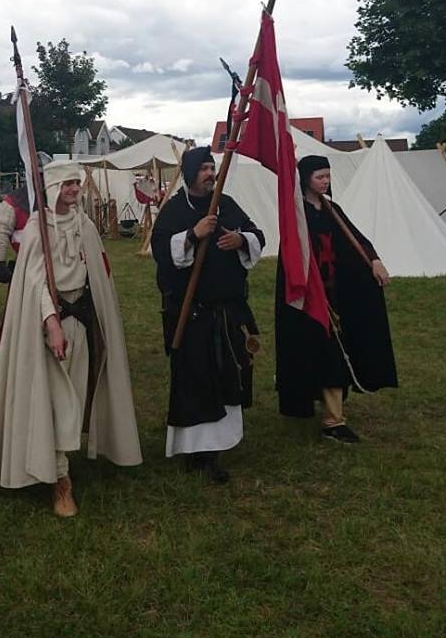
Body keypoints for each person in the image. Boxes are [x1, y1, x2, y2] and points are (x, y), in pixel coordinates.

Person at [0, 161, 142, 517]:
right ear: (51, 188)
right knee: (53, 398)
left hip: (80, 320)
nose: (73, 189)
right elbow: (35, 283)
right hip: (47, 326)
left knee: (75, 394)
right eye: (66, 184)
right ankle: (60, 480)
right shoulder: (37, 228)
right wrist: (52, 324)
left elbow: (98, 273)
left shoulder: (84, 224)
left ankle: (60, 459)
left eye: (75, 183)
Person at [151, 146, 264, 483]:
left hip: (226, 312)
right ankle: (196, 452)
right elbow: (160, 250)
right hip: (191, 315)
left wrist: (240, 240)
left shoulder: (226, 204)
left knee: (225, 377)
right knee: (195, 380)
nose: (210, 173)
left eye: (212, 167)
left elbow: (257, 234)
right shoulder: (175, 210)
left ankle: (217, 446)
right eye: (203, 168)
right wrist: (192, 234)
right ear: (189, 173)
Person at [274, 155, 398, 443]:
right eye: (320, 177)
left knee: (334, 352)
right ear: (306, 179)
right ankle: (328, 415)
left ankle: (333, 418)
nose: (325, 181)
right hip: (308, 297)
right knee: (315, 352)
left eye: (328, 176)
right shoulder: (298, 214)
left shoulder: (332, 209)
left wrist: (373, 260)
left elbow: (354, 238)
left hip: (335, 294)